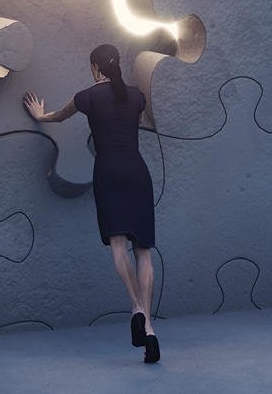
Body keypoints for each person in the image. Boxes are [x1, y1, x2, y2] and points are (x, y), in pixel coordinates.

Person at [22, 44, 159, 363]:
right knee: (143, 251)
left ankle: (136, 307)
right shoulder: (137, 95)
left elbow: (58, 116)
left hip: (108, 171)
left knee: (117, 244)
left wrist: (40, 116)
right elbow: (136, 123)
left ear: (95, 67)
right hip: (138, 172)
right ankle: (149, 330)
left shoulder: (86, 96)